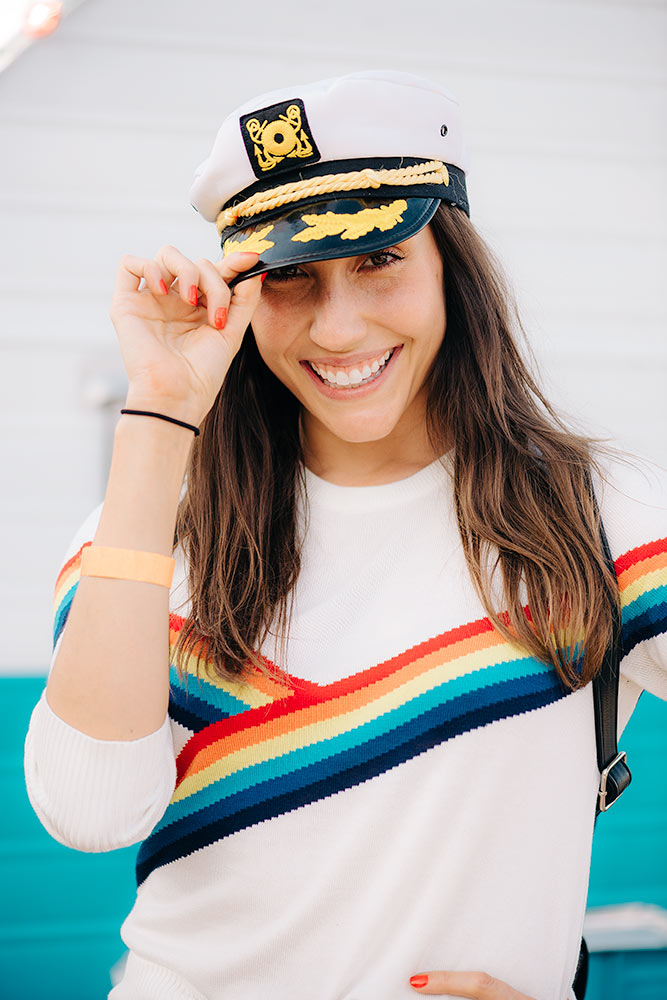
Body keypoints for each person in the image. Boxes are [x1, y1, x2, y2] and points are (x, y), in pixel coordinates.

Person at [24, 70, 666, 1000]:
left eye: (379, 259)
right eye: (289, 275)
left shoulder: (587, 513)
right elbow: (89, 808)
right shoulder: (154, 526)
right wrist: (159, 415)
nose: (338, 325)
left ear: (452, 264)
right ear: (240, 295)